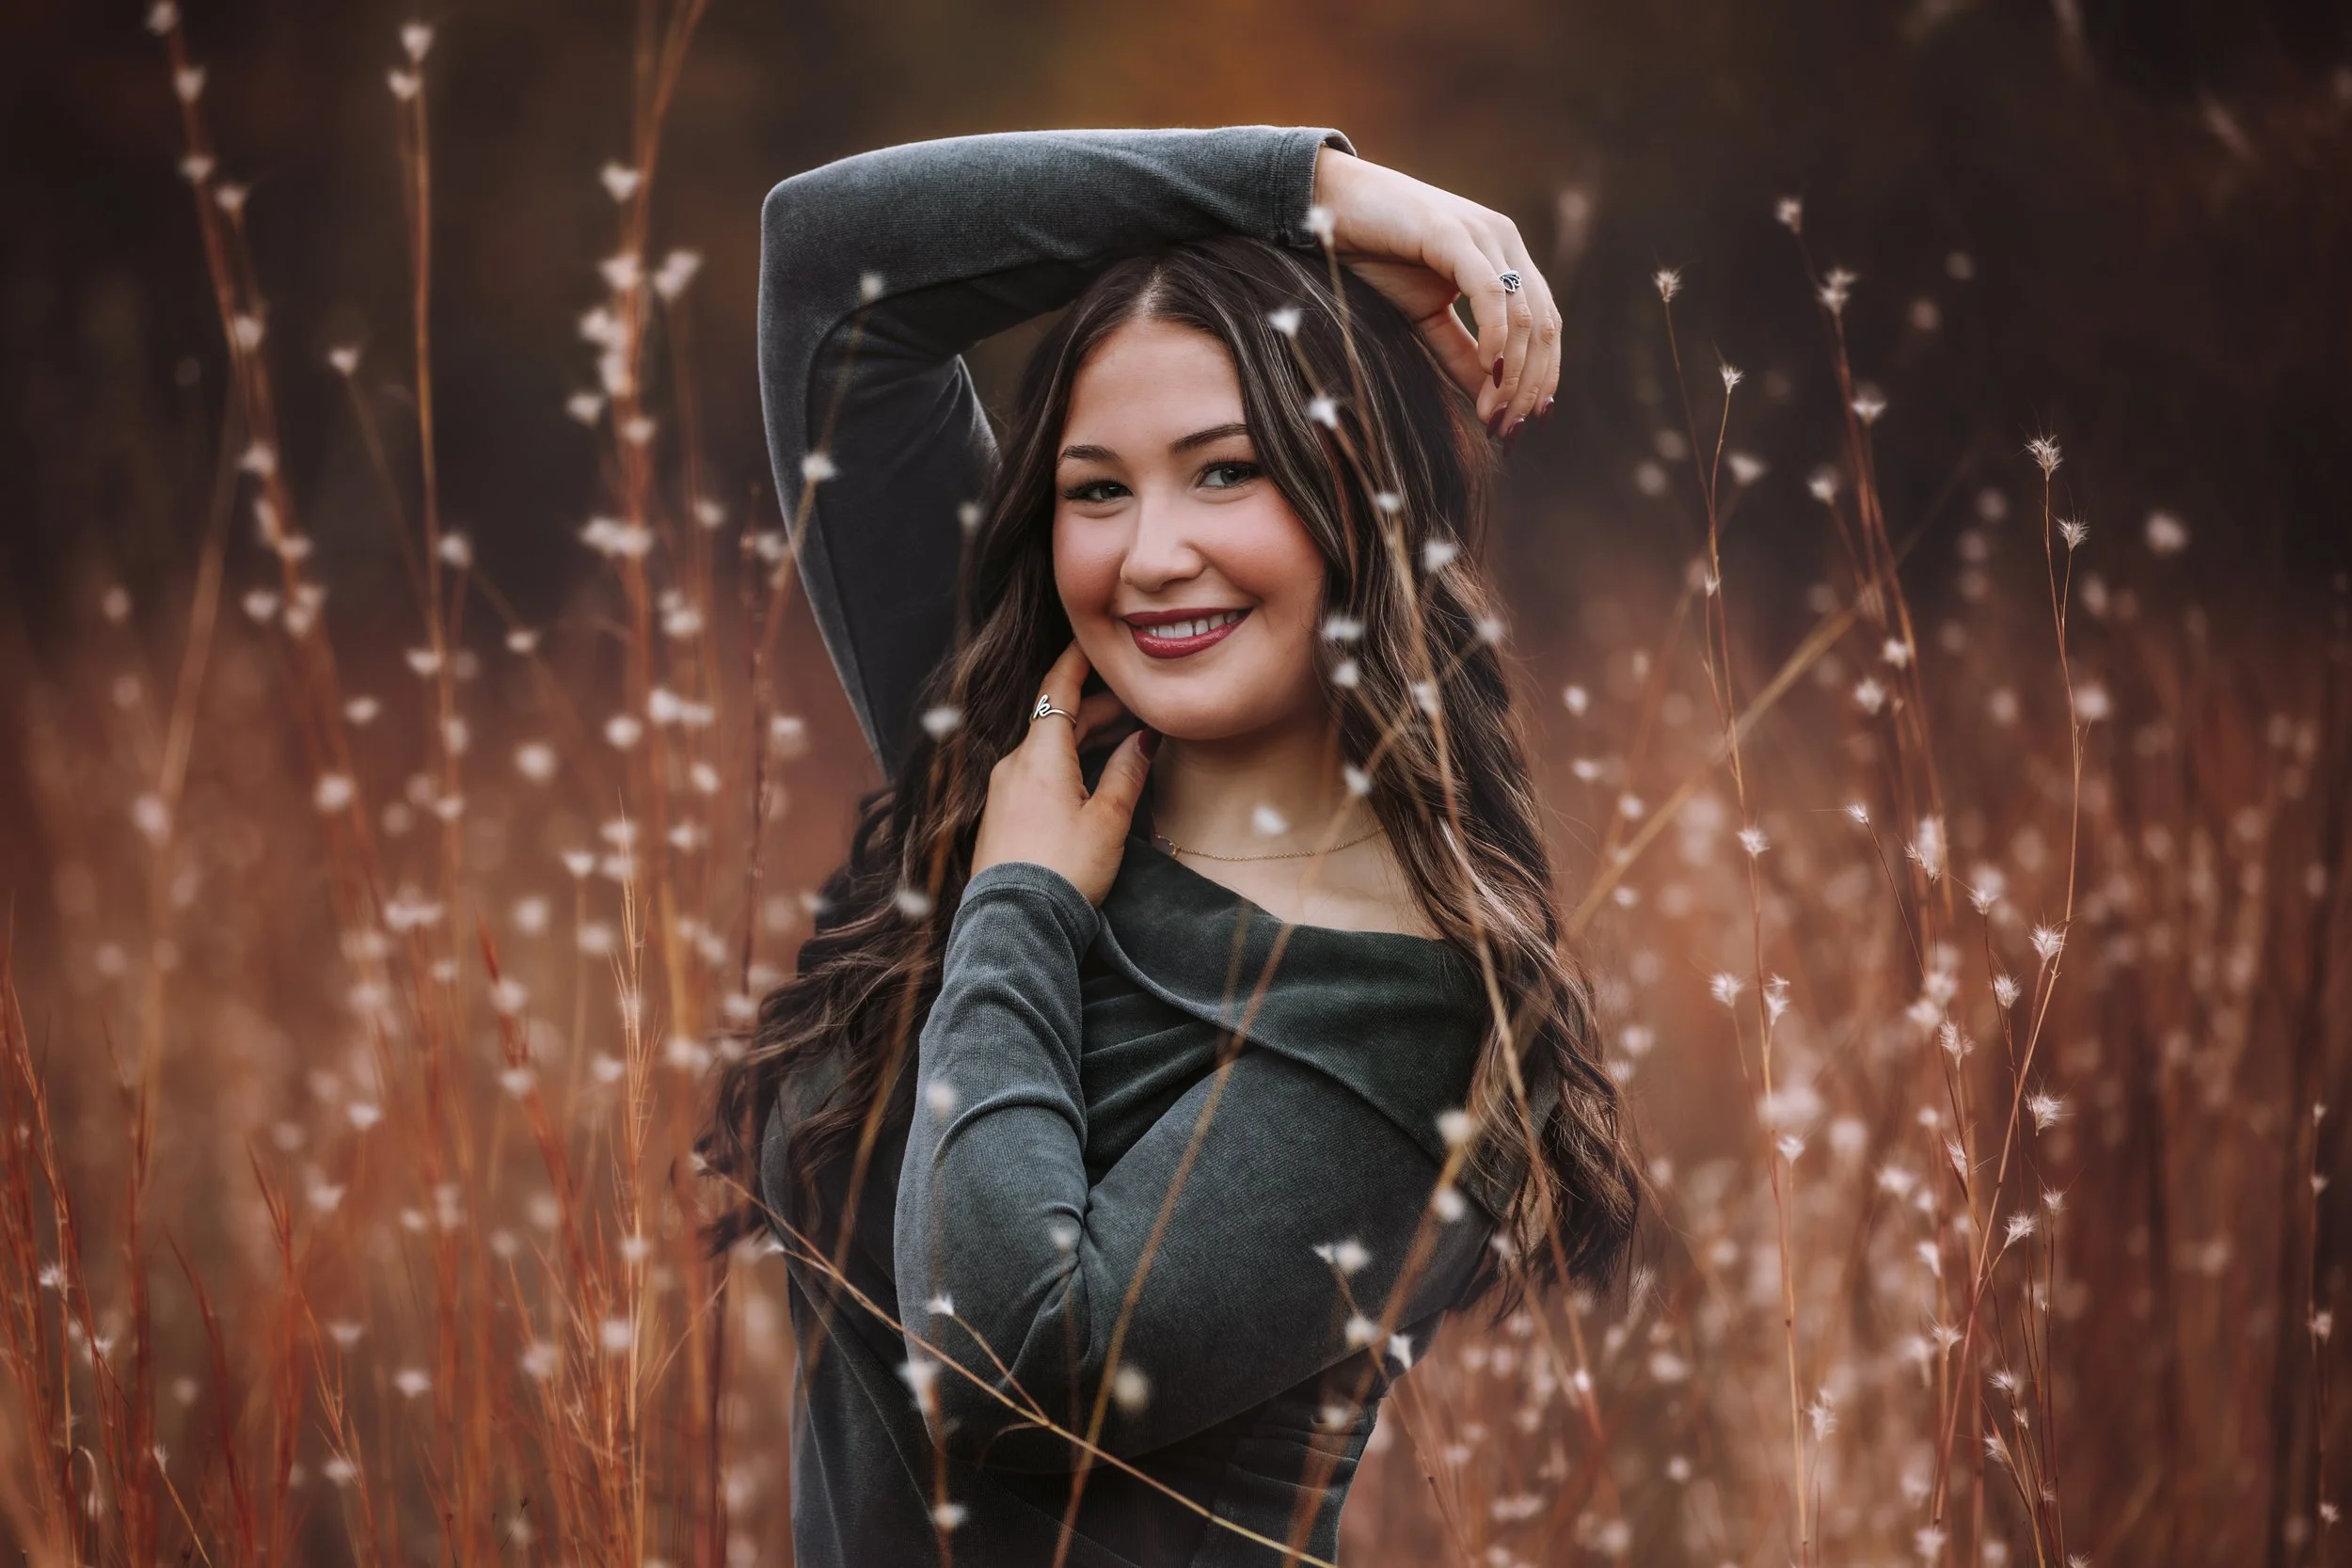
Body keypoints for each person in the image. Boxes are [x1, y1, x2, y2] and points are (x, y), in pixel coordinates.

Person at [698, 125, 1641, 1567]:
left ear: (1360, 502)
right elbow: (829, 263)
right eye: (1096, 488)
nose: (1148, 556)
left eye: (1224, 473)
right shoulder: (1021, 749)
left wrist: (1015, 911)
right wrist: (1309, 190)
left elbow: (1012, 1365)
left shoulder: (1403, 1004)